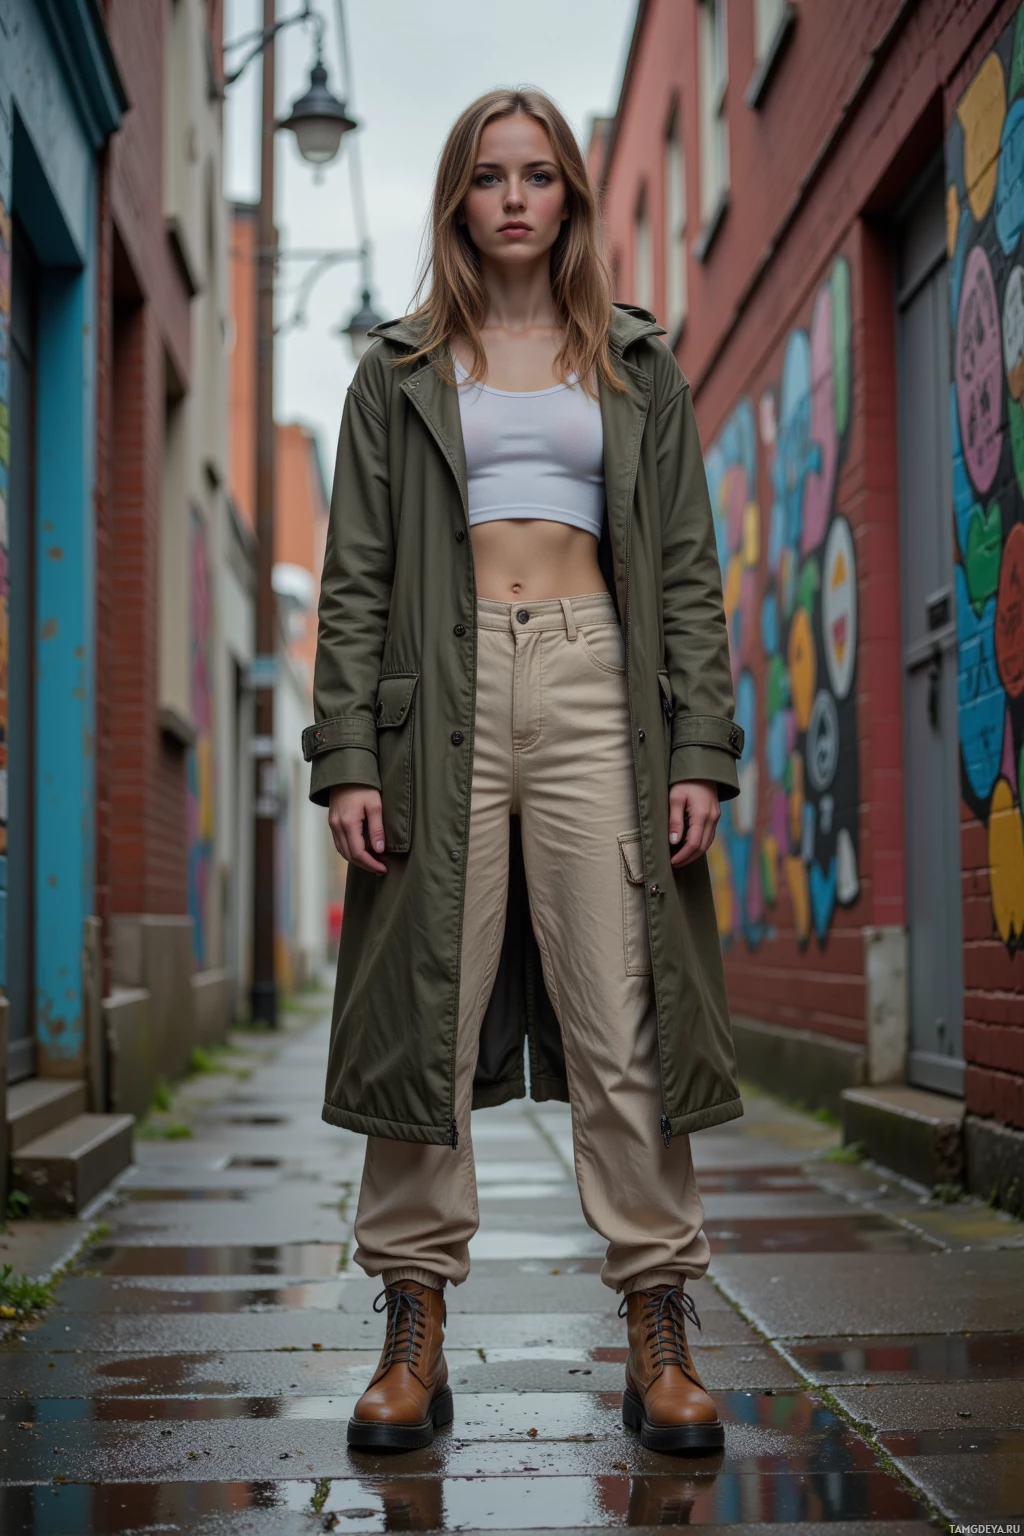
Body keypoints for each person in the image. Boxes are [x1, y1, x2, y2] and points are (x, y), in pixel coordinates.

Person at [302, 86, 744, 1456]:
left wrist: (701, 751)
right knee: (423, 1010)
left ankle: (658, 1319)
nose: (511, 197)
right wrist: (347, 759)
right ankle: (414, 1322)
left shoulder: (636, 365)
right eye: (488, 175)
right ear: (456, 197)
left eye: (537, 175)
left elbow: (681, 568)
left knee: (626, 1009)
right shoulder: (398, 369)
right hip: (438, 691)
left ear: (568, 198)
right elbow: (356, 575)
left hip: (599, 684)